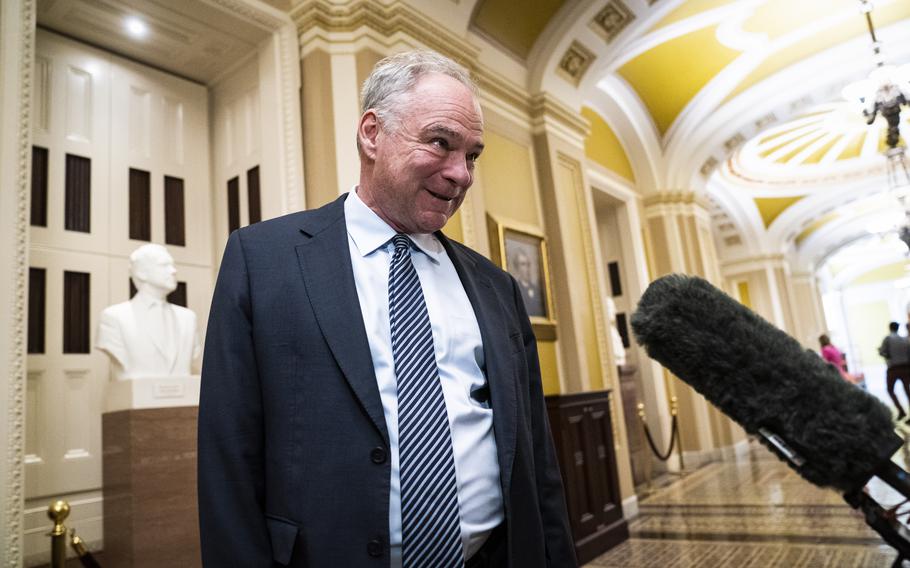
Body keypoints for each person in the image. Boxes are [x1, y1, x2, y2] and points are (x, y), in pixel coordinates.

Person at [197, 51, 577, 567]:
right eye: (441, 143)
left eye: (472, 156)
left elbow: (537, 462)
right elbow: (227, 461)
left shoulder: (497, 288)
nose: (461, 174)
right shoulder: (264, 260)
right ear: (372, 133)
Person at [96, 244, 200, 380]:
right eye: (164, 265)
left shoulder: (188, 318)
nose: (174, 271)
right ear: (141, 272)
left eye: (173, 265)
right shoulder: (113, 317)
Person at [878, 322, 910, 420]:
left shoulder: (887, 339)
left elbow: (883, 352)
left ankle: (901, 410)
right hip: (905, 367)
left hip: (893, 368)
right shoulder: (905, 339)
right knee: (907, 390)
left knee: (890, 390)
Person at [509, 248, 544, 317]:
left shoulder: (536, 289)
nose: (527, 268)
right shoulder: (515, 289)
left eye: (528, 264)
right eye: (523, 264)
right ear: (517, 267)